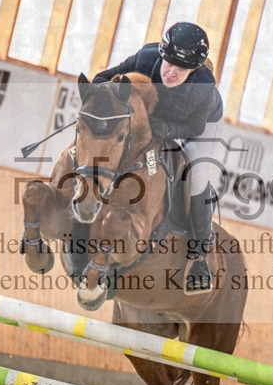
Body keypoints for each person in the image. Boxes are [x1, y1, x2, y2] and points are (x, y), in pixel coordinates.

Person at [92, 21, 223, 294]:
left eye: (182, 69)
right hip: (153, 120)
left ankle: (200, 257)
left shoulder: (204, 85)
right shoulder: (146, 57)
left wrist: (166, 130)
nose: (172, 73)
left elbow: (194, 128)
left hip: (194, 125)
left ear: (195, 70)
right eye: (169, 63)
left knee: (197, 174)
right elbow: (103, 78)